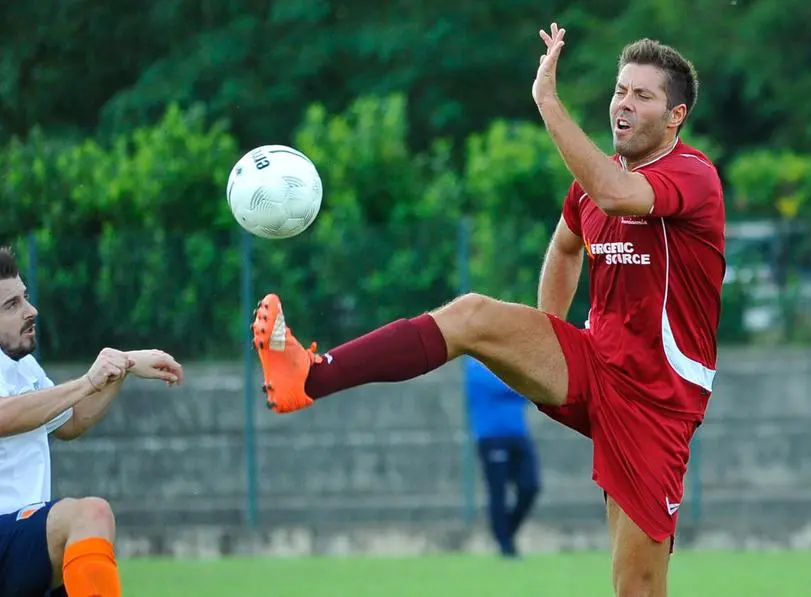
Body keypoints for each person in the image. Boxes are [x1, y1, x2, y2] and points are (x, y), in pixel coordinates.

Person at [251, 26, 724, 597]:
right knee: (473, 313)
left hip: (657, 401)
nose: (623, 103)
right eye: (620, 90)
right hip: (596, 365)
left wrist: (547, 101)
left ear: (675, 116)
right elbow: (566, 246)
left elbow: (615, 196)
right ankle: (308, 375)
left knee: (637, 590)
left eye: (642, 96)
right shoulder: (592, 187)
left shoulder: (692, 175)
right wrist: (551, 338)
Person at [0, 246, 184, 597]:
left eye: (25, 298)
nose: (30, 310)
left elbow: (70, 422)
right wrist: (87, 381)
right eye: (12, 306)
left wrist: (122, 366)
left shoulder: (22, 364)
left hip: (16, 536)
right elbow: (4, 416)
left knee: (82, 549)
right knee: (89, 517)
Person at [464, 356, 540, 558]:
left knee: (530, 486)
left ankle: (506, 534)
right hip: (491, 436)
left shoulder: (504, 358)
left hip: (518, 433)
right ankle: (505, 546)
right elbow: (509, 385)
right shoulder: (475, 362)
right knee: (498, 492)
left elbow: (530, 388)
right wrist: (523, 382)